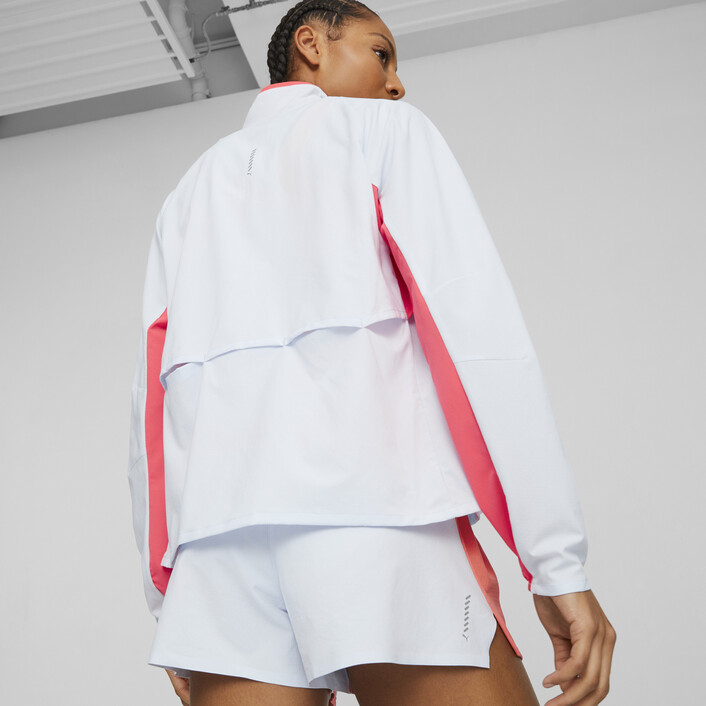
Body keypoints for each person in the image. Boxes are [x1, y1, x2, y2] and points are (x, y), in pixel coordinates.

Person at [127, 1, 616, 705]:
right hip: (376, 521)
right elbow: (475, 340)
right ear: (310, 45)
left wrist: (168, 598)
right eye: (380, 53)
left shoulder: (186, 195)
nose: (396, 83)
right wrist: (556, 562)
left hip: (219, 559)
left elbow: (152, 409)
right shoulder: (384, 132)